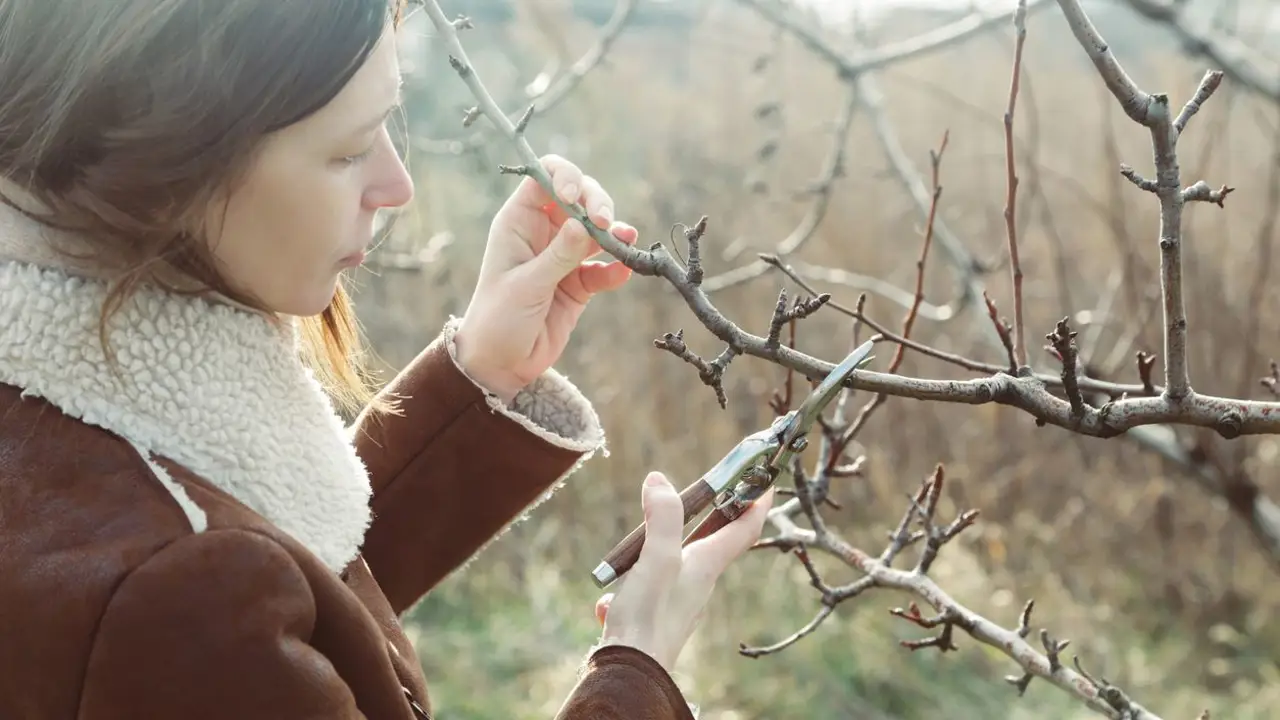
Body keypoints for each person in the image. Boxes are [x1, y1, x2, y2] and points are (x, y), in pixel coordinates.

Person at [0, 1, 775, 719]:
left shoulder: (67, 426)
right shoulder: (168, 597)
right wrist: (636, 670)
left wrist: (482, 373)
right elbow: (217, 605)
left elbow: (289, 612)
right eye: (345, 151)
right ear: (174, 159)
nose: (396, 186)